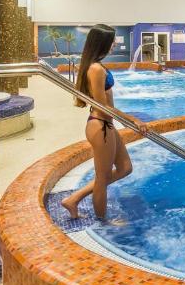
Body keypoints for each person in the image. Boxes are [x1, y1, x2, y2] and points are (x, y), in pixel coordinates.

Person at [61, 24, 145, 219]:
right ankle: (102, 222)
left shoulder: (96, 65)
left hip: (106, 125)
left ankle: (74, 198)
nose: (114, 44)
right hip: (100, 126)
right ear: (102, 43)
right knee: (102, 178)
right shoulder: (96, 69)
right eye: (111, 41)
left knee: (125, 168)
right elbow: (103, 106)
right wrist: (133, 119)